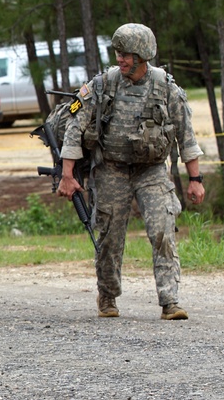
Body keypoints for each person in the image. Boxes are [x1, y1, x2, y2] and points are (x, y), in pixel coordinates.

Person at [57, 23, 205, 321]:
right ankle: (108, 296)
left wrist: (195, 179)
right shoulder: (103, 84)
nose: (120, 60)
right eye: (118, 54)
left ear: (142, 56)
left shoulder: (166, 88)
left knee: (162, 230)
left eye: (126, 54)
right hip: (111, 169)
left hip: (151, 171)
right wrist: (67, 174)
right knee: (110, 235)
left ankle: (170, 300)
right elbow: (75, 126)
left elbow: (186, 136)